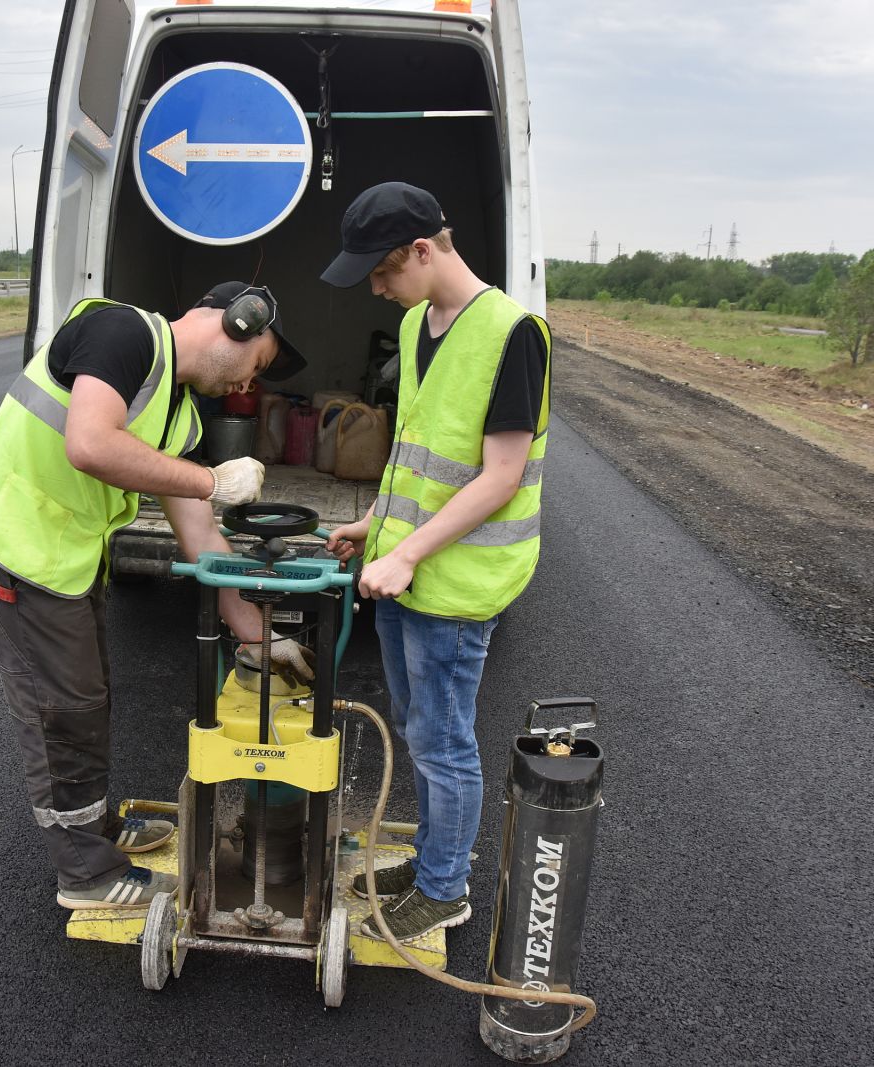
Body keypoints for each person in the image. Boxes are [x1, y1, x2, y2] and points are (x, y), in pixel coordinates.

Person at [0, 282, 315, 911]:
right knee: (63, 710)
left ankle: (98, 829)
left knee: (88, 698)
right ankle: (84, 873)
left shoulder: (180, 413)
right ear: (240, 322)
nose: (249, 386)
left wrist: (254, 633)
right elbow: (89, 444)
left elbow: (199, 529)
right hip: (18, 544)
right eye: (259, 364)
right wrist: (211, 479)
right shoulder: (122, 333)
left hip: (65, 556)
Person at [322, 183, 550, 942]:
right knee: (419, 728)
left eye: (382, 273)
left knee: (444, 740)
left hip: (456, 582)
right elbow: (418, 458)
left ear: (423, 250)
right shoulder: (421, 321)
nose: (378, 290)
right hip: (406, 566)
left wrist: (410, 551)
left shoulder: (514, 332)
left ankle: (445, 888)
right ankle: (430, 862)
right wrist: (374, 525)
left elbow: (500, 474)